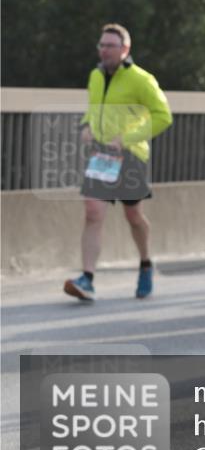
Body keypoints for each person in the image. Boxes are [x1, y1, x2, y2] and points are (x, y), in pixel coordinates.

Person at [64, 24, 173, 302]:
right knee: (92, 211)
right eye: (101, 45)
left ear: (125, 50)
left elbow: (163, 116)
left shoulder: (141, 79)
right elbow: (92, 109)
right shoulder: (95, 76)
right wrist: (86, 126)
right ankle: (87, 279)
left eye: (110, 46)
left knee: (133, 216)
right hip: (101, 156)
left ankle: (146, 263)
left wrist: (127, 138)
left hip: (131, 155)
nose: (104, 50)